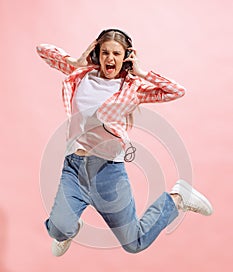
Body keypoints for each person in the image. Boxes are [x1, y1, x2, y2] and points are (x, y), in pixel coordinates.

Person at [36, 28, 213, 257]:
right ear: (97, 53)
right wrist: (76, 61)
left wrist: (143, 72)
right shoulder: (81, 74)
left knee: (134, 243)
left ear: (126, 56)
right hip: (74, 168)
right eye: (105, 52)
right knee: (59, 229)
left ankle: (177, 199)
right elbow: (42, 50)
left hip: (108, 172)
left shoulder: (132, 88)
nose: (110, 59)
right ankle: (69, 229)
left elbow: (176, 91)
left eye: (117, 54)